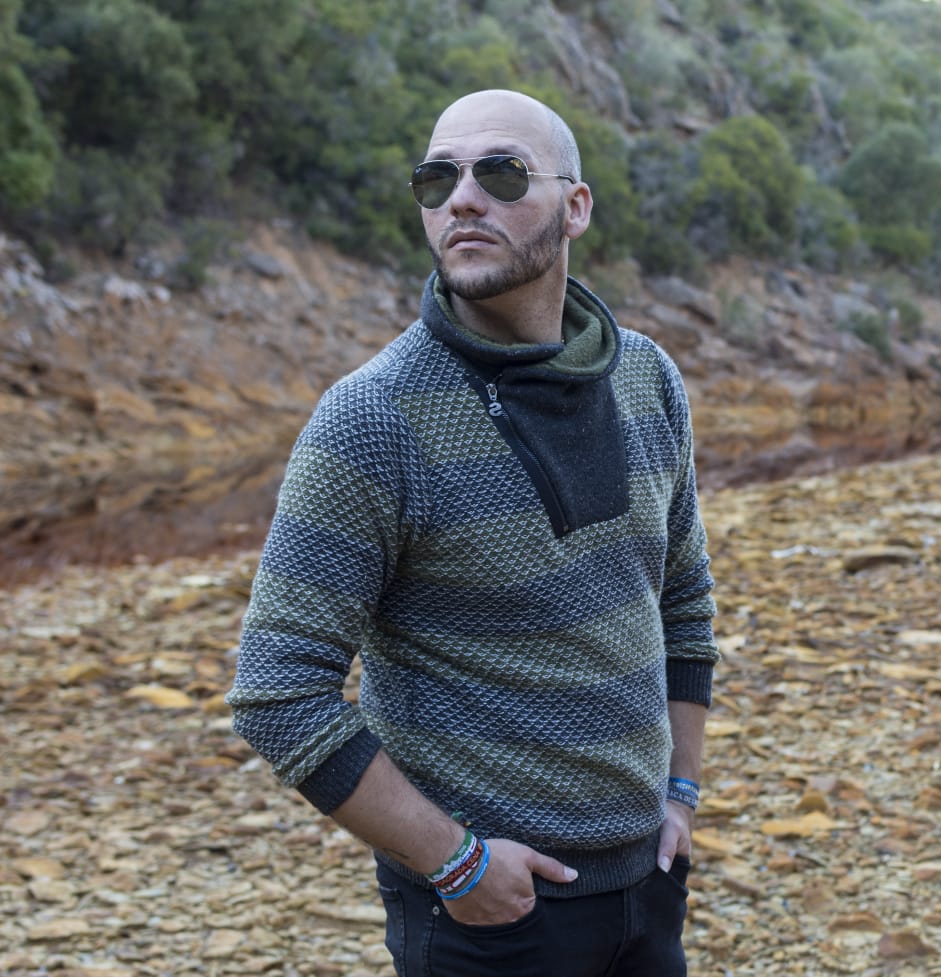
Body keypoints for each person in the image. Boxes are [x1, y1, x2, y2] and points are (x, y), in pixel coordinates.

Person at [226, 89, 718, 976]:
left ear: (576, 207)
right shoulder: (372, 419)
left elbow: (682, 600)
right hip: (491, 916)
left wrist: (680, 792)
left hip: (648, 884)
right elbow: (277, 690)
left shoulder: (646, 379)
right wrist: (454, 861)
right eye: (437, 178)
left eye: (501, 173)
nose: (462, 199)